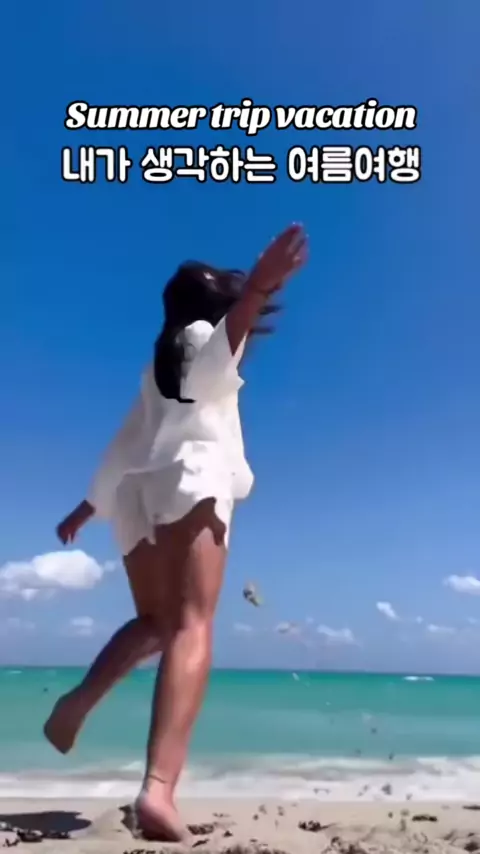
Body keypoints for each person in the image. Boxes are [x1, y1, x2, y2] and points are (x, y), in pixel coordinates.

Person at [43, 223, 308, 840]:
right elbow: (219, 359)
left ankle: (76, 702)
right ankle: (158, 789)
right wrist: (257, 291)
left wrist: (89, 506)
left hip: (138, 495)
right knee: (192, 624)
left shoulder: (157, 363)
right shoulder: (200, 339)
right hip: (193, 480)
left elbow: (126, 443)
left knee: (156, 623)